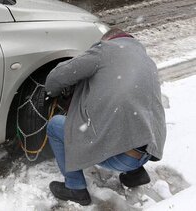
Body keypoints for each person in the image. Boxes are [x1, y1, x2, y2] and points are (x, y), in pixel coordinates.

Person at [44, 28, 166, 206]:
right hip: (147, 151)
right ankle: (135, 174)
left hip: (122, 157)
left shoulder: (104, 50)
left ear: (108, 40)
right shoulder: (146, 62)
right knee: (130, 111)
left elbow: (56, 78)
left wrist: (52, 92)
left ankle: (75, 188)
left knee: (55, 126)